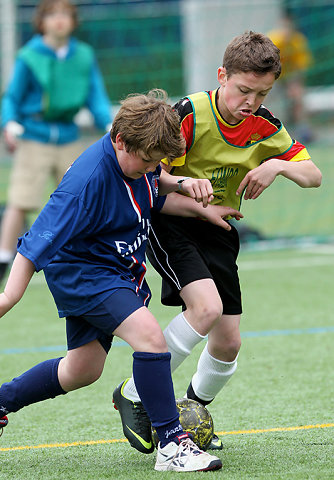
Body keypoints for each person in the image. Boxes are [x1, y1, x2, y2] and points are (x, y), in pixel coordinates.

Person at [0, 89, 246, 471]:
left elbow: (153, 193)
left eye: (157, 162)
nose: (152, 168)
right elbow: (36, 242)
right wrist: (8, 297)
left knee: (81, 370)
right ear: (119, 140)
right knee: (149, 337)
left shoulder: (138, 160)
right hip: (85, 272)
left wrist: (199, 207)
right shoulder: (85, 182)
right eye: (147, 161)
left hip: (113, 267)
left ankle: (1, 400)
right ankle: (171, 445)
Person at [113, 31, 322, 452]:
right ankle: (133, 393)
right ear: (222, 75)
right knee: (205, 308)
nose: (251, 102)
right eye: (243, 90)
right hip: (171, 222)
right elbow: (150, 180)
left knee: (228, 342)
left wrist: (278, 166)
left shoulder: (265, 126)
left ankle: (192, 415)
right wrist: (192, 196)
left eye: (262, 94)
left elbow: (313, 175)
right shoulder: (187, 113)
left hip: (219, 229)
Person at [0, 0, 112, 284]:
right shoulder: (29, 55)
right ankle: (3, 258)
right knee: (20, 201)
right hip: (34, 136)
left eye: (65, 14)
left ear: (73, 21)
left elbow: (96, 96)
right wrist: (9, 124)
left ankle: (85, 259)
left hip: (69, 136)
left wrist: (111, 124)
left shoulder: (84, 56)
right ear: (41, 22)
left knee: (82, 200)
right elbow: (12, 97)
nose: (59, 20)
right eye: (52, 15)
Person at [267, 14, 313, 141]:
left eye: (288, 27)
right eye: (283, 27)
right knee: (264, 98)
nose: (285, 31)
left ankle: (303, 129)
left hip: (289, 76)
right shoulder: (272, 41)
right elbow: (265, 66)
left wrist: (296, 86)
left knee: (298, 97)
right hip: (271, 74)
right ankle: (264, 128)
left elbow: (301, 68)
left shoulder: (298, 42)